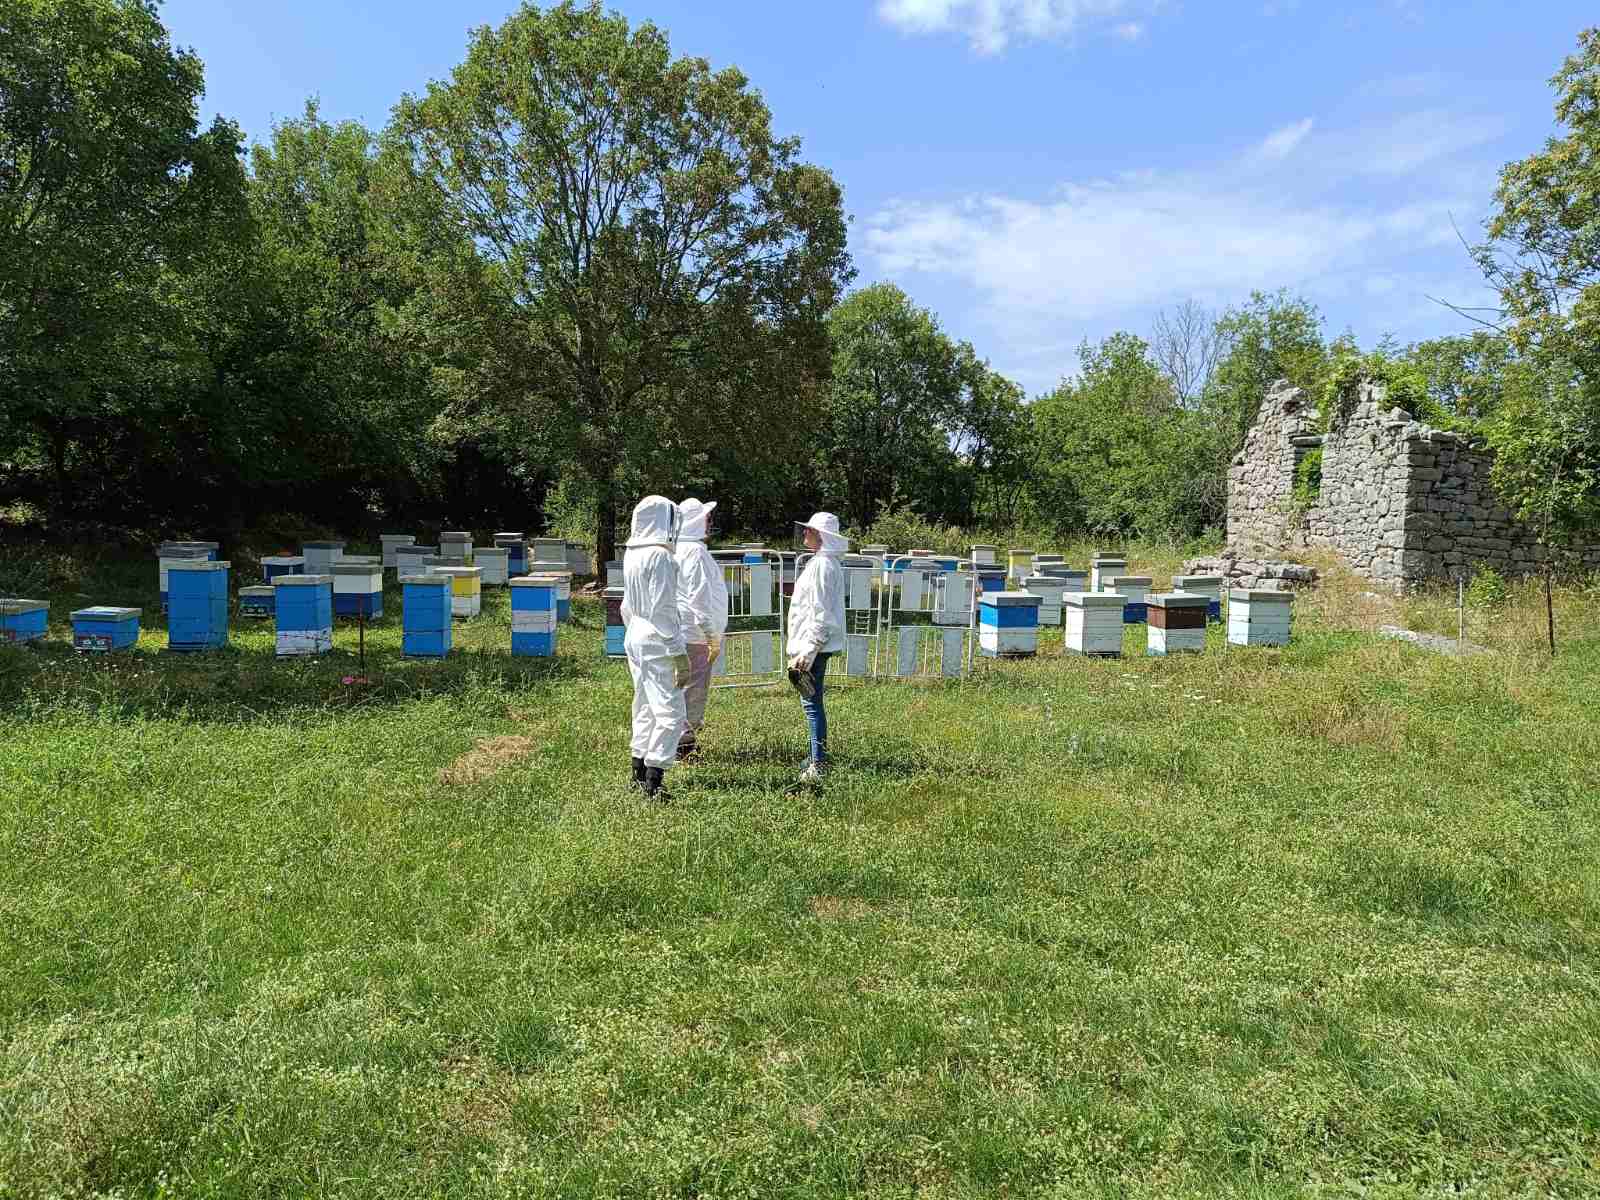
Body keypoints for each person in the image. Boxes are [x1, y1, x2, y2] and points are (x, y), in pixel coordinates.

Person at [622, 495, 691, 799]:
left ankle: (637, 772)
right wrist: (678, 654)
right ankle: (654, 782)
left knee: (645, 705)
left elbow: (626, 605)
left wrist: (635, 633)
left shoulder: (632, 553)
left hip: (635, 632)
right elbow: (663, 610)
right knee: (671, 712)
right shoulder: (660, 557)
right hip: (656, 638)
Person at [786, 511, 848, 783]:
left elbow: (822, 613)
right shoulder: (822, 562)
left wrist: (809, 650)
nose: (805, 533)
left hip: (814, 647)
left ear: (821, 535)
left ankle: (818, 764)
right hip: (813, 645)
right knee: (812, 702)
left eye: (809, 530)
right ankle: (816, 756)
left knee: (811, 704)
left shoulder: (823, 565)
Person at [674, 497, 729, 761]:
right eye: (706, 518)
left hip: (684, 630)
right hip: (695, 634)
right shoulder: (694, 552)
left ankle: (675, 741)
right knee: (693, 689)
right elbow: (699, 598)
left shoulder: (678, 549)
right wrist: (710, 635)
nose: (709, 523)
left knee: (680, 687)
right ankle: (683, 746)